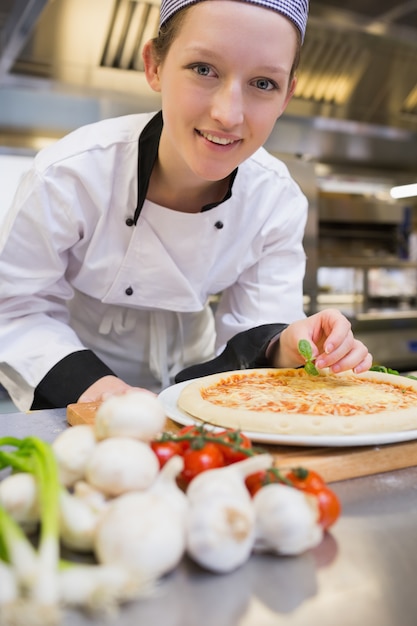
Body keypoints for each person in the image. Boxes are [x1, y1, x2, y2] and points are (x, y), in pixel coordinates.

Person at [0, 0, 372, 412]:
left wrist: (291, 344)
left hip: (204, 381)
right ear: (154, 66)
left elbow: (257, 327)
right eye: (203, 69)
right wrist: (102, 392)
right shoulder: (71, 174)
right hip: (74, 381)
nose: (228, 114)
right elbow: (16, 308)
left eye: (264, 83)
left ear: (287, 97)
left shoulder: (275, 199)